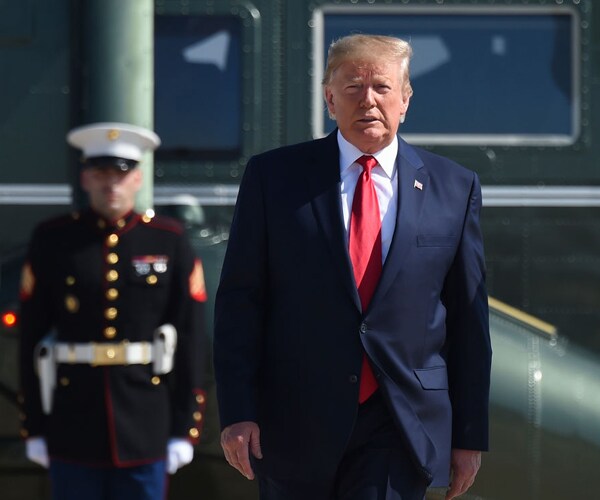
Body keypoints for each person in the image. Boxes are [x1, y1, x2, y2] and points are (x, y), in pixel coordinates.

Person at [213, 34, 492, 500]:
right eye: (352, 88)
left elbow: (468, 319)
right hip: (294, 420)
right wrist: (238, 411)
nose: (368, 101)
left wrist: (469, 434)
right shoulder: (274, 178)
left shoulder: (454, 188)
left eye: (382, 88)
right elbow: (241, 302)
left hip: (399, 422)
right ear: (329, 98)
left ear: (405, 99)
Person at [18, 122, 207, 500]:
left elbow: (190, 339)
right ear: (85, 178)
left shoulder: (168, 240)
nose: (111, 184)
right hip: (72, 424)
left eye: (121, 173)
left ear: (137, 179)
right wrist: (34, 426)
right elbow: (32, 338)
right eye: (100, 173)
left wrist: (184, 428)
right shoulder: (54, 240)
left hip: (146, 424)